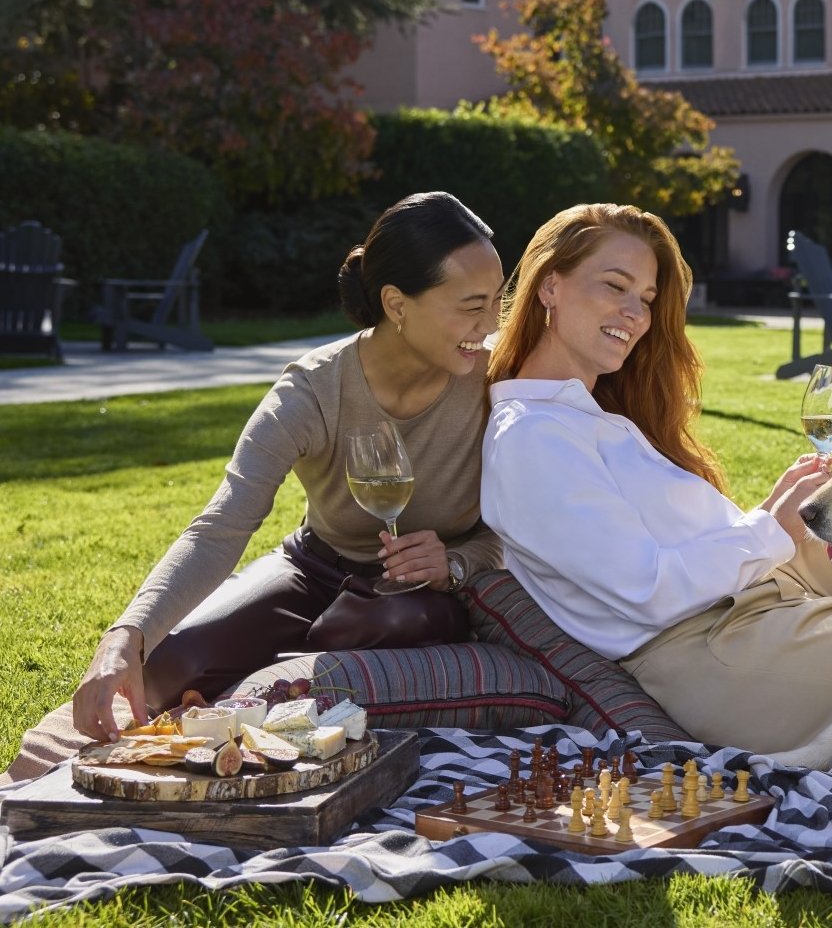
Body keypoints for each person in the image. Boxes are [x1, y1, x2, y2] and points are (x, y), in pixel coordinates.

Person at [2, 192, 506, 783]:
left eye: (498, 299)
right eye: (473, 306)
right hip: (315, 567)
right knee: (171, 667)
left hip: (423, 594)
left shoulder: (499, 382)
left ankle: (270, 696)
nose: (492, 324)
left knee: (366, 635)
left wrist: (456, 560)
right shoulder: (314, 390)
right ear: (396, 304)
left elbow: (526, 528)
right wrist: (125, 638)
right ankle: (252, 698)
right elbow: (221, 525)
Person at [480, 203, 832, 753]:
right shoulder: (531, 437)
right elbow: (647, 590)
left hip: (760, 590)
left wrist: (769, 517)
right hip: (715, 647)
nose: (635, 313)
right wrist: (770, 527)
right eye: (615, 286)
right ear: (549, 287)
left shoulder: (588, 416)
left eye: (647, 300)